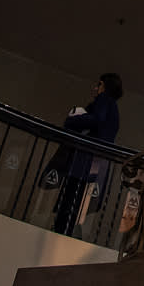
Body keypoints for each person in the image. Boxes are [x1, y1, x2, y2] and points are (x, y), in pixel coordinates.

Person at [50, 73, 124, 235]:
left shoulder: (104, 100)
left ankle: (62, 229)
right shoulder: (114, 109)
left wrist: (73, 120)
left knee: (71, 194)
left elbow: (96, 120)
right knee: (81, 197)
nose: (95, 88)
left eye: (99, 84)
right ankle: (68, 229)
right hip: (97, 160)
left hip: (85, 158)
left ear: (106, 87)